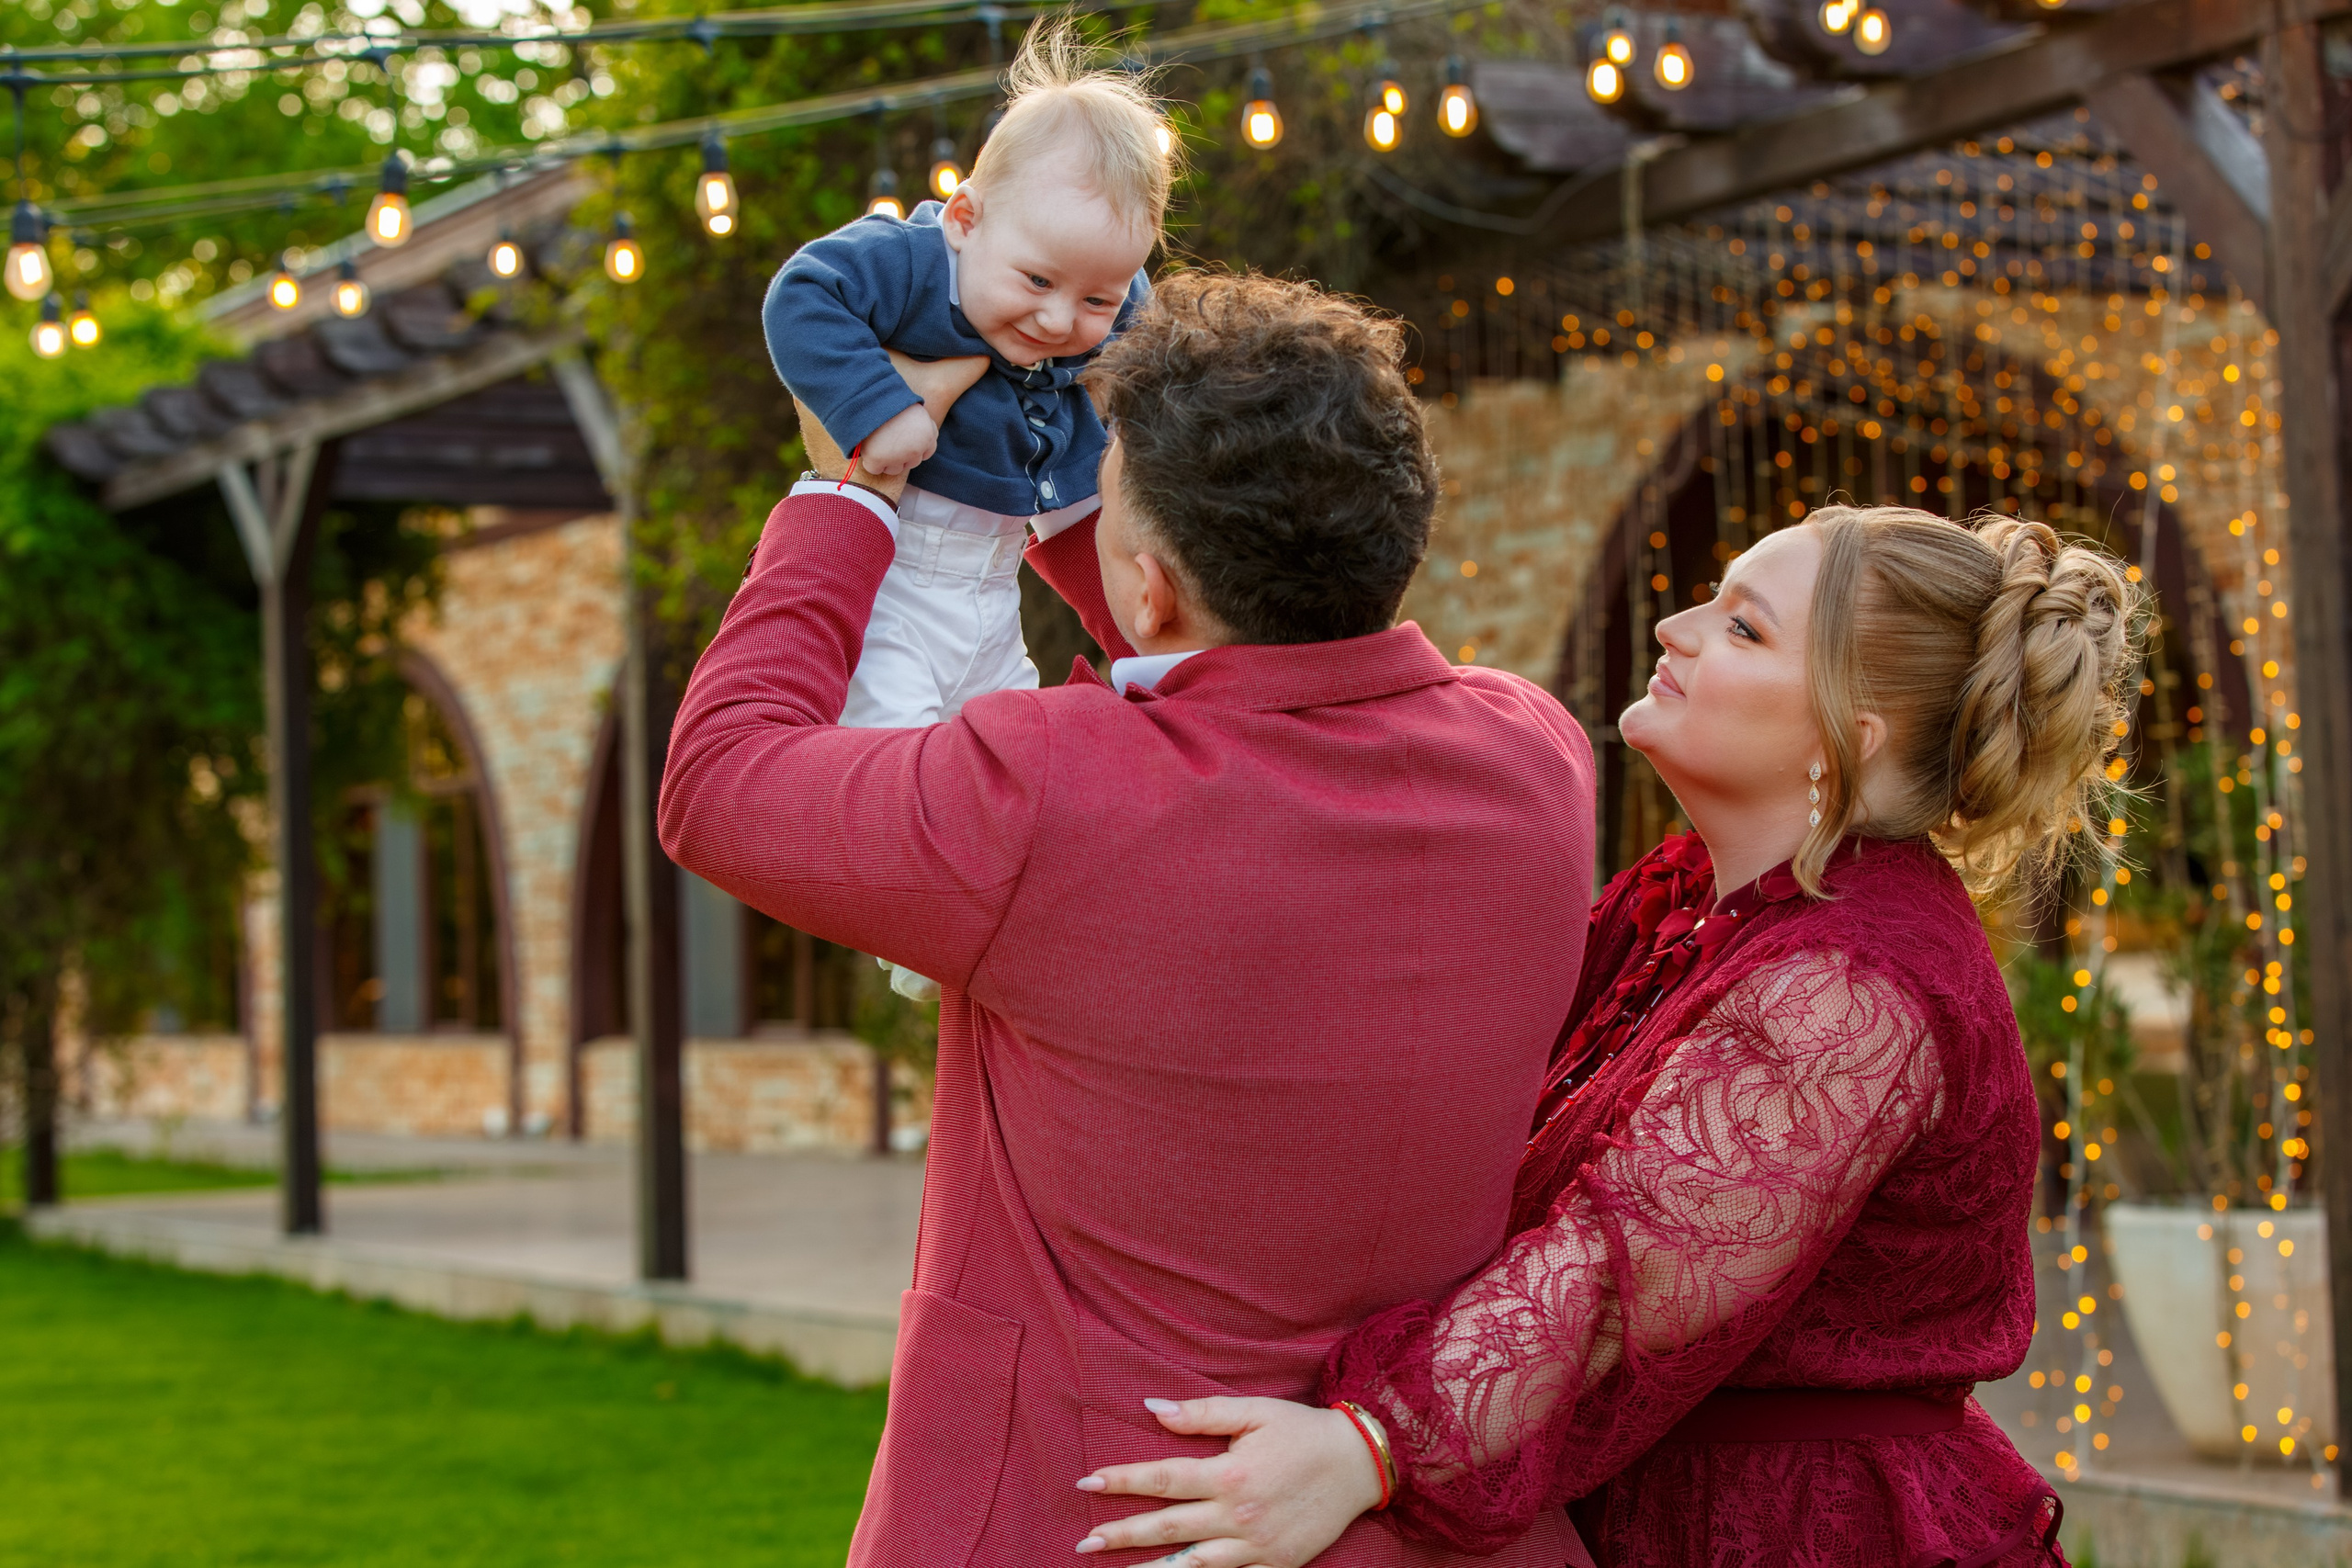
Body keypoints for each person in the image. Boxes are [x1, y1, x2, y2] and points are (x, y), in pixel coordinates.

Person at [659, 270, 1597, 1568]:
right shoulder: (1534, 754)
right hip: (1425, 1522)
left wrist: (846, 489)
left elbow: (719, 782)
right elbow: (1231, 667)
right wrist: (1044, 484)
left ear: (1149, 585)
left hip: (1085, 1511)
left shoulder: (1047, 791)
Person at [1076, 505, 2141, 1568]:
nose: (1675, 628)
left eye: (1742, 630)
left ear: (1842, 731)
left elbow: (1615, 1282)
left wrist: (1366, 1447)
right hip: (1644, 1498)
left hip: (1793, 1532)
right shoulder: (1695, 900)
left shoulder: (1854, 991)